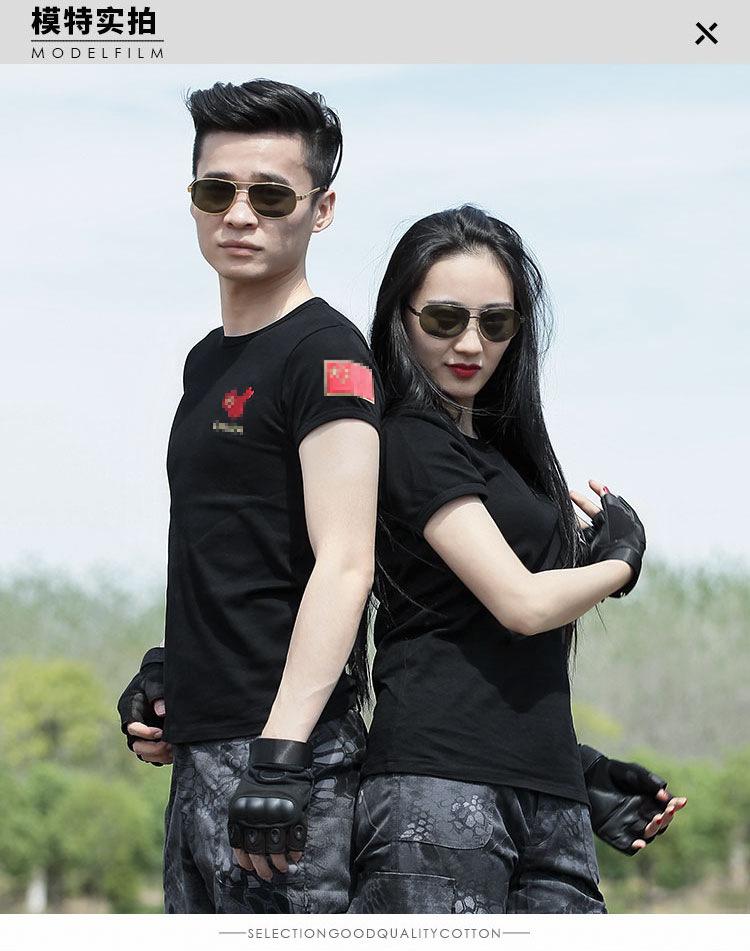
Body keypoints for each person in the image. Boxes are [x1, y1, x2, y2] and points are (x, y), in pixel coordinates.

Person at [347, 205, 686, 914]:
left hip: (547, 796)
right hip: (436, 790)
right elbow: (522, 605)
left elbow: (497, 644)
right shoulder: (407, 438)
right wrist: (622, 560)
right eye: (445, 318)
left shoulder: (507, 460)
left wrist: (575, 769)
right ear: (402, 318)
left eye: (496, 322)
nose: (471, 343)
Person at [117, 78, 382, 914]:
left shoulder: (326, 354)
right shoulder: (207, 360)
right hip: (204, 751)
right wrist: (174, 673)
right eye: (216, 191)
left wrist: (282, 752)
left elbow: (346, 562)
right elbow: (234, 548)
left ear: (321, 209)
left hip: (286, 760)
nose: (239, 214)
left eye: (270, 195)